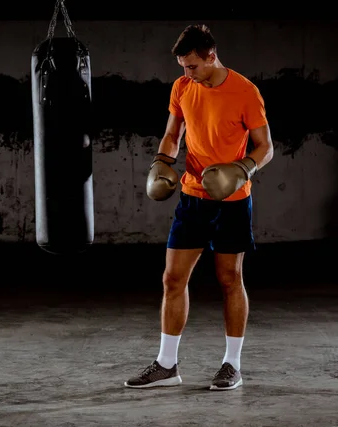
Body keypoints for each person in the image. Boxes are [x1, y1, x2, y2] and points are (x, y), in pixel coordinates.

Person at [125, 24, 274, 391]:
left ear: (211, 56)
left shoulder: (245, 92)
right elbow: (173, 134)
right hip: (193, 197)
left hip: (232, 201)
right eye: (181, 66)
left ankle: (231, 365)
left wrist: (240, 170)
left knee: (229, 279)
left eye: (191, 66)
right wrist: (162, 161)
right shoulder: (182, 87)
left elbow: (265, 146)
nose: (185, 73)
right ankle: (166, 365)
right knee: (172, 279)